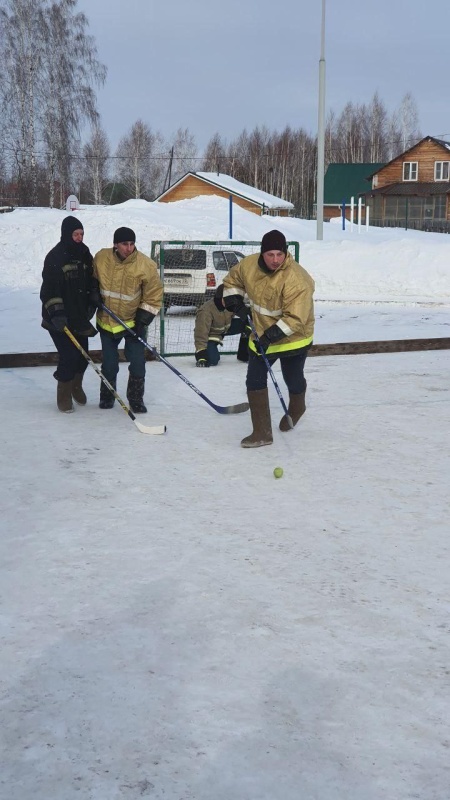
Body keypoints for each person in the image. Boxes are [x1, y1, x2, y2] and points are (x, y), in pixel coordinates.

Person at [222, 229, 315, 448]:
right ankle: (262, 432)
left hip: (293, 338)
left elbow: (295, 318)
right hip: (260, 332)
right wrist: (235, 301)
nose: (275, 260)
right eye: (270, 254)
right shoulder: (249, 265)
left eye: (279, 255)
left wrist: (270, 337)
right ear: (262, 253)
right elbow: (232, 280)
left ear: (286, 253)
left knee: (292, 377)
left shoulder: (297, 279)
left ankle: (297, 406)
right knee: (254, 380)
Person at [93, 227, 163, 413]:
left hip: (133, 324)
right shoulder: (101, 258)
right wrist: (92, 292)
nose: (129, 248)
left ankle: (136, 399)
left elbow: (154, 296)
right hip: (107, 321)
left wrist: (143, 320)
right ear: (115, 244)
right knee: (109, 364)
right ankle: (107, 396)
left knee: (138, 363)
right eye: (124, 244)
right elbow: (92, 279)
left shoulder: (145, 265)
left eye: (132, 244)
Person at [40, 215, 98, 414]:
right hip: (58, 318)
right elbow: (48, 290)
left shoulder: (84, 253)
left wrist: (94, 297)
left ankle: (76, 386)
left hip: (78, 315)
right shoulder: (55, 257)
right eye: (75, 234)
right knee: (69, 355)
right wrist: (57, 313)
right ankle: (63, 393)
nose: (79, 238)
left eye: (81, 234)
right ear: (67, 234)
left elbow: (92, 280)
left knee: (83, 356)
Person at [194, 284, 249, 367]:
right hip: (212, 334)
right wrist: (201, 354)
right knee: (212, 361)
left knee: (249, 323)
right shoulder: (205, 311)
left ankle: (244, 355)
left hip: (226, 327)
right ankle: (208, 351)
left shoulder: (231, 304)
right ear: (220, 297)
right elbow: (200, 334)